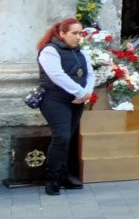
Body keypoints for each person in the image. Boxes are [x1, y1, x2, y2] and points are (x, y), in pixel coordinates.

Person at [36, 18, 95, 196]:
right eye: (74, 33)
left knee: (68, 138)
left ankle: (63, 175)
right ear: (62, 34)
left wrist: (87, 92)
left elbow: (90, 74)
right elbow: (57, 75)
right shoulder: (49, 51)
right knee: (61, 137)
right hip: (54, 100)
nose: (78, 37)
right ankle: (52, 179)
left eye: (80, 33)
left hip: (76, 102)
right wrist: (79, 92)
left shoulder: (81, 52)